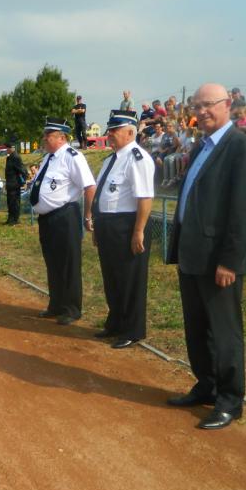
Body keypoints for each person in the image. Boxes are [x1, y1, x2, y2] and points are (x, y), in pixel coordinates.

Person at [165, 83, 246, 430]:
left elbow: (244, 210)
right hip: (192, 254)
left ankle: (230, 400)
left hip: (218, 260)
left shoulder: (241, 147)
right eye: (197, 106)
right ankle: (206, 385)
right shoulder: (200, 147)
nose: (202, 111)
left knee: (224, 332)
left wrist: (229, 261)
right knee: (196, 328)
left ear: (228, 104)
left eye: (209, 104)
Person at [89, 110, 155, 349]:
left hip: (127, 225)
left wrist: (139, 231)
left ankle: (132, 330)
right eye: (109, 130)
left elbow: (145, 197)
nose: (109, 134)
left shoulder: (137, 158)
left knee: (129, 280)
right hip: (108, 226)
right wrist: (98, 226)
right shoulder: (111, 159)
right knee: (112, 277)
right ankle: (115, 322)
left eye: (114, 130)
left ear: (130, 132)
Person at [29, 118, 96, 325]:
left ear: (61, 137)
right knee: (53, 263)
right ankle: (56, 305)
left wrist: (88, 215)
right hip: (47, 219)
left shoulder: (72, 157)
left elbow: (89, 186)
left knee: (68, 264)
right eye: (45, 134)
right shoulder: (48, 158)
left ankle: (71, 309)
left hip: (65, 216)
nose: (44, 138)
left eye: (48, 135)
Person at [3, 137, 27, 225]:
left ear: (11, 148)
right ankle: (10, 219)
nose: (6, 149)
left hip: (15, 184)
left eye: (7, 148)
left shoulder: (16, 157)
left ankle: (15, 220)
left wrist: (24, 181)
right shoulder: (9, 157)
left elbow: (22, 170)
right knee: (10, 202)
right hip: (10, 183)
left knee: (15, 202)